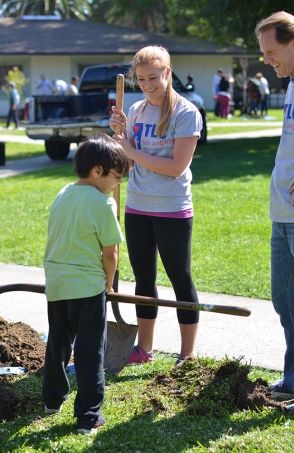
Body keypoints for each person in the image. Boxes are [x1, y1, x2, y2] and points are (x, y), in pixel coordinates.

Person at [109, 45, 202, 366]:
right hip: (137, 206)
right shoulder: (135, 111)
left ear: (167, 73)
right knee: (143, 280)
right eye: (141, 79)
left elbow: (176, 166)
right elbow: (131, 163)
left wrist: (130, 150)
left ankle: (187, 353)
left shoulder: (186, 113)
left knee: (180, 277)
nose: (147, 85)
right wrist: (121, 137)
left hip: (172, 209)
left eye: (153, 78)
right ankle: (143, 348)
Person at [42, 136, 129, 434]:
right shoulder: (103, 203)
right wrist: (108, 284)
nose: (117, 185)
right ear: (97, 171)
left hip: (56, 284)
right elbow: (110, 252)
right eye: (116, 177)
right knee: (91, 351)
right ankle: (89, 416)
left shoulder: (63, 193)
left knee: (58, 344)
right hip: (88, 288)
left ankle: (52, 400)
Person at [255, 10, 294, 414]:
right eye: (264, 54)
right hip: (283, 212)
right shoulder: (292, 85)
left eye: (272, 52)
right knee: (285, 300)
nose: (268, 61)